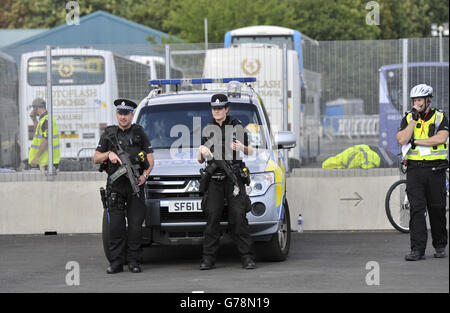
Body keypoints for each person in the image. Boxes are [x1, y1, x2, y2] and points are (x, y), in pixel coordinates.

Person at [94, 99, 154, 274]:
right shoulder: (108, 134)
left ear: (132, 115)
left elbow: (150, 159)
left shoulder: (139, 133)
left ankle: (134, 261)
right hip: (116, 186)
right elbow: (96, 157)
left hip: (135, 185)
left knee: (135, 227)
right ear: (116, 114)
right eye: (120, 113)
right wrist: (109, 154)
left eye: (126, 114)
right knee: (116, 227)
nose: (123, 117)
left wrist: (144, 176)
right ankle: (116, 262)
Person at [197, 93, 256, 270]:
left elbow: (251, 151)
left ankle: (247, 257)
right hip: (214, 179)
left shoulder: (236, 126)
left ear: (227, 109)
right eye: (214, 108)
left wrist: (242, 148)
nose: (217, 111)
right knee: (212, 217)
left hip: (234, 178)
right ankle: (208, 259)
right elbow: (200, 160)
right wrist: (201, 151)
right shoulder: (207, 129)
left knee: (238, 217)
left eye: (220, 108)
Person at [396, 84, 449, 261]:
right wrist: (413, 120)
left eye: (420, 100)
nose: (417, 103)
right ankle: (417, 249)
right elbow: (402, 139)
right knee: (417, 210)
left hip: (436, 170)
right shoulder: (409, 117)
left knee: (437, 209)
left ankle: (440, 245)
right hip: (415, 171)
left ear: (428, 100)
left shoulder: (440, 116)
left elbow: (441, 138)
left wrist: (416, 141)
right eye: (414, 100)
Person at [28, 98, 60, 173]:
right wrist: (34, 119)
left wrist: (36, 157)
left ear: (36, 108)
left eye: (33, 108)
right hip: (46, 160)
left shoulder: (46, 120)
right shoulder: (43, 119)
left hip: (47, 161)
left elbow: (46, 140)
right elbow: (38, 132)